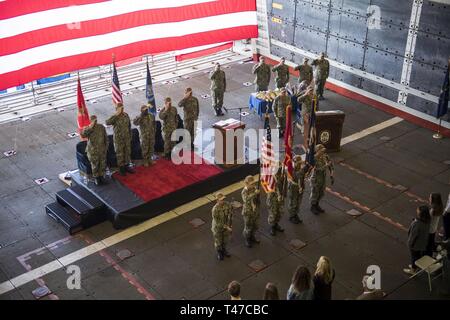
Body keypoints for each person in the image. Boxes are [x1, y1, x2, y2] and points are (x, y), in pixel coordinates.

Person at [105, 103, 135, 175]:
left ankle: (127, 166)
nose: (122, 109)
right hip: (119, 139)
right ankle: (122, 169)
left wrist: (130, 135)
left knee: (127, 153)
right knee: (120, 154)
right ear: (117, 109)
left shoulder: (126, 115)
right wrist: (117, 114)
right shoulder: (115, 117)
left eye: (122, 107)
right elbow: (107, 122)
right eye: (120, 108)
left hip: (126, 138)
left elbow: (129, 126)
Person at [80, 115, 108, 185]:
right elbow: (83, 135)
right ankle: (96, 178)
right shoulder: (87, 128)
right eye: (93, 120)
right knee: (95, 165)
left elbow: (105, 137)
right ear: (90, 121)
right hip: (93, 151)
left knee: (102, 164)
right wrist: (91, 127)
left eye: (95, 120)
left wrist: (106, 147)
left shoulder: (101, 127)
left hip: (101, 149)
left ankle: (101, 176)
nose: (95, 121)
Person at [403, 205, 431, 275]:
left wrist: (409, 244)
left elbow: (413, 235)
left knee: (414, 256)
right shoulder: (428, 220)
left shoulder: (417, 224)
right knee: (418, 255)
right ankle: (416, 266)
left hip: (415, 244)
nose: (417, 210)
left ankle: (413, 269)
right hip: (422, 243)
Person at [310, 144, 334, 215]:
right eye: (321, 150)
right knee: (315, 193)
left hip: (322, 177)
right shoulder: (314, 159)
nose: (323, 152)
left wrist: (332, 174)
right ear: (317, 151)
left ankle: (317, 204)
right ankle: (313, 206)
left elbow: (331, 165)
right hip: (316, 178)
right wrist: (326, 165)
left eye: (323, 150)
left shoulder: (325, 156)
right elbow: (317, 169)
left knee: (321, 193)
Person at [288, 155, 310, 224]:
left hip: (300, 188)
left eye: (300, 163)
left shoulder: (300, 169)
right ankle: (292, 216)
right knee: (293, 202)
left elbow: (303, 175)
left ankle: (295, 214)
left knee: (298, 202)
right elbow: (296, 176)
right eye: (298, 163)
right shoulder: (292, 170)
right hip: (294, 189)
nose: (300, 164)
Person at [211, 192, 233, 261]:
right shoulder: (215, 209)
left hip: (226, 226)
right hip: (217, 228)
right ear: (217, 200)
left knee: (225, 240)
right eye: (221, 200)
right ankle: (219, 252)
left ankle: (224, 250)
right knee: (218, 242)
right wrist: (226, 227)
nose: (222, 201)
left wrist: (230, 223)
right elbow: (217, 222)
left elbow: (230, 213)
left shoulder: (227, 204)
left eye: (223, 199)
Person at [241, 175, 260, 248]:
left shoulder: (254, 188)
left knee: (255, 225)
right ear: (247, 183)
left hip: (255, 210)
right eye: (251, 184)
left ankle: (252, 236)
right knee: (248, 226)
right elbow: (246, 199)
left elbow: (256, 199)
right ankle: (247, 239)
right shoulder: (244, 191)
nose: (253, 185)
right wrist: (255, 193)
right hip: (248, 212)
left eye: (254, 183)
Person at [267, 163, 285, 236]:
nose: (279, 169)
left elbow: (283, 185)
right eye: (278, 167)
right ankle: (272, 226)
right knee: (273, 213)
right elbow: (270, 188)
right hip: (273, 198)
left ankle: (276, 224)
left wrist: (282, 195)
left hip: (279, 197)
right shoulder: (270, 177)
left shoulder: (281, 175)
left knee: (279, 212)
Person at [297, 85, 314, 150]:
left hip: (311, 113)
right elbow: (298, 100)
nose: (311, 92)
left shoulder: (314, 96)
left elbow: (316, 104)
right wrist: (305, 94)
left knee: (310, 125)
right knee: (304, 127)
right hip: (304, 114)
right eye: (309, 91)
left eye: (311, 91)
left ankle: (307, 136)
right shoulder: (305, 96)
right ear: (307, 91)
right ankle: (303, 141)